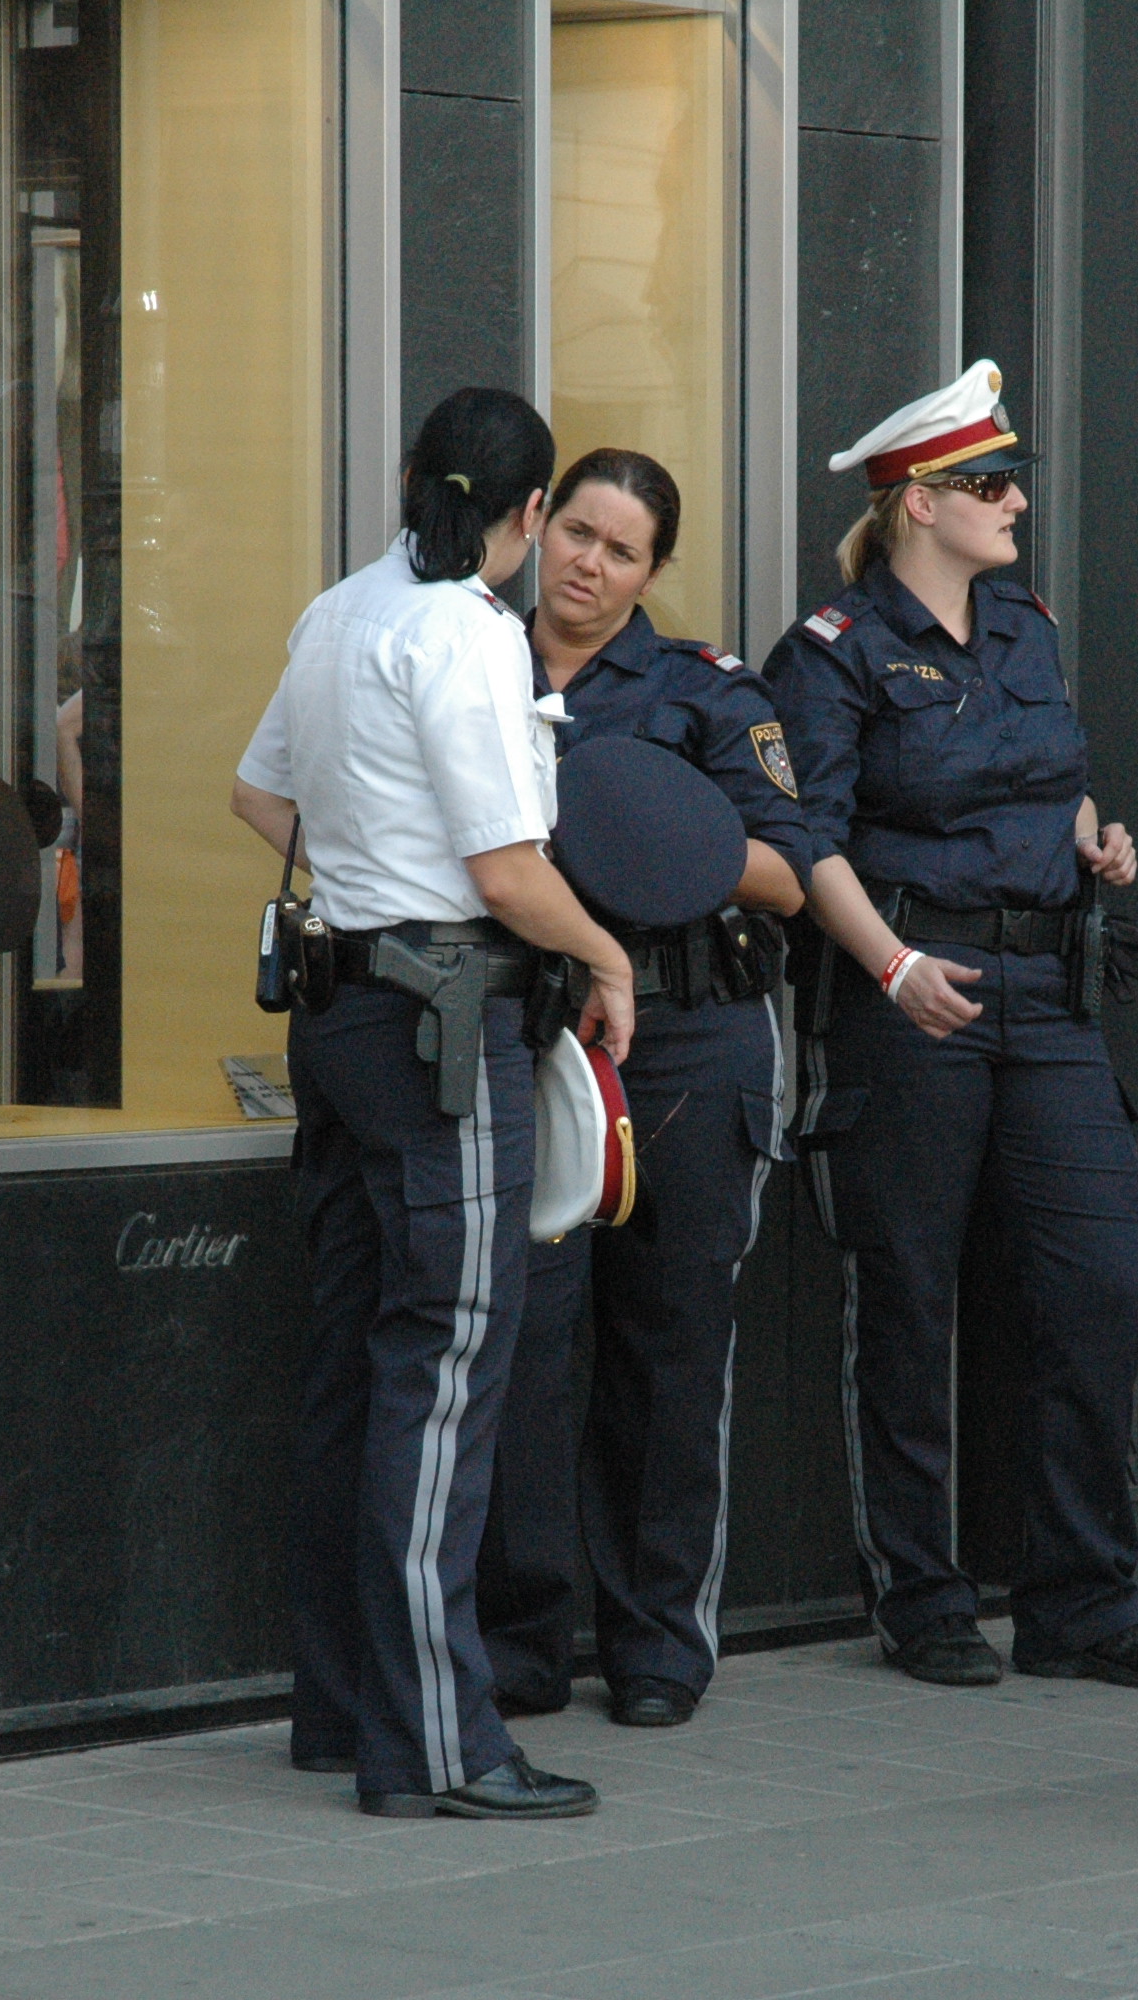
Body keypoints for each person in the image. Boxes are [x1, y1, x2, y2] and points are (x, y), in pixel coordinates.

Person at [766, 360, 1138, 1695]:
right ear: (918, 502)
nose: (1016, 501)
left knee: (1094, 1280)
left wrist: (1093, 838)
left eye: (1013, 480)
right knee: (910, 1295)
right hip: (916, 992)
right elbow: (803, 839)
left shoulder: (1026, 623)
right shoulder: (834, 651)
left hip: (1048, 991)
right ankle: (922, 1597)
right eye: (991, 483)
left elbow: (1047, 778)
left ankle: (1082, 1600)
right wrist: (892, 964)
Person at [228, 387, 633, 1822]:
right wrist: (605, 955)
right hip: (439, 1027)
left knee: (358, 1368)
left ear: (411, 476)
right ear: (529, 514)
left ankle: (344, 1710)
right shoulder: (466, 631)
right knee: (446, 1371)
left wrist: (365, 858)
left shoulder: (340, 611)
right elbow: (505, 870)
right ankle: (439, 1744)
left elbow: (258, 796)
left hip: (345, 1014)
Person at [477, 449, 812, 1731]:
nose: (588, 563)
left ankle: (658, 1642)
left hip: (686, 1034)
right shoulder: (470, 656)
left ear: (653, 570)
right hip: (527, 1029)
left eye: (621, 550)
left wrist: (648, 832)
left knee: (669, 1349)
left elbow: (788, 871)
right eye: (576, 530)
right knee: (523, 1343)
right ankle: (517, 1644)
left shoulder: (703, 687)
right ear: (537, 524)